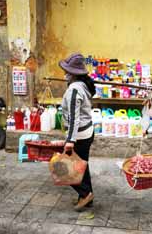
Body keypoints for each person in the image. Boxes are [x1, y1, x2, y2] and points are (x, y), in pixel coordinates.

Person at [59, 53, 96, 211]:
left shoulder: (75, 89)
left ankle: (85, 193)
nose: (65, 74)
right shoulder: (82, 86)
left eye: (67, 71)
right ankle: (86, 196)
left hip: (79, 135)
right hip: (86, 132)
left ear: (74, 73)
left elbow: (74, 118)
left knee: (65, 169)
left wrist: (70, 141)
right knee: (82, 165)